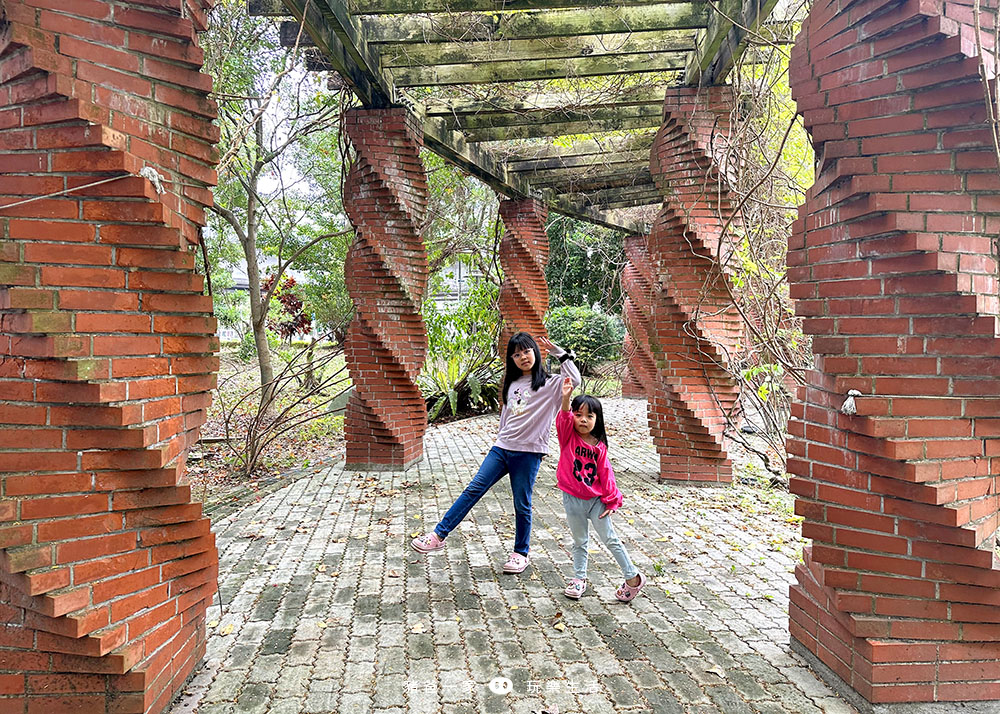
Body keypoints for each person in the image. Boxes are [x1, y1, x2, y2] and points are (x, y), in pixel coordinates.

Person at [411, 332, 581, 574]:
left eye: (527, 351)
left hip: (528, 453)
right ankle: (439, 534)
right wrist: (500, 438)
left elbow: (574, 379)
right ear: (511, 359)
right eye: (517, 354)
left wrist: (559, 352)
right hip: (502, 449)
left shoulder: (551, 384)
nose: (523, 357)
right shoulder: (512, 384)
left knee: (522, 503)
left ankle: (520, 553)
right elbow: (506, 416)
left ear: (536, 351)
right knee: (474, 489)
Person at [555, 380, 646, 602]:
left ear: (598, 420)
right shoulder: (567, 436)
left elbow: (606, 475)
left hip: (597, 502)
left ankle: (633, 577)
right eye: (579, 414)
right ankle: (579, 579)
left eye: (589, 416)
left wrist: (611, 501)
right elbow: (563, 418)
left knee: (610, 539)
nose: (583, 420)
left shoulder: (599, 447)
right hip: (572, 499)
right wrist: (566, 398)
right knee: (579, 540)